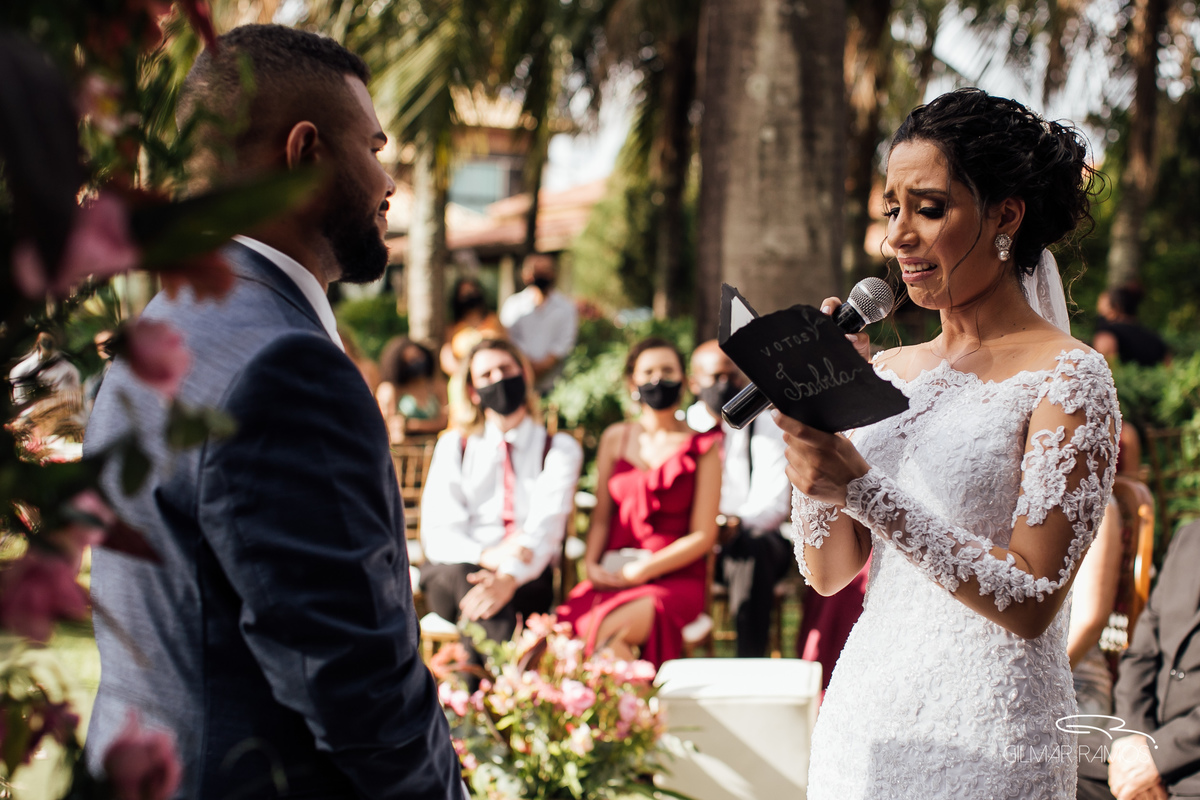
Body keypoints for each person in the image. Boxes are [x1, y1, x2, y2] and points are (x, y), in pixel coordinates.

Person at [83, 25, 462, 799]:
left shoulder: (161, 330)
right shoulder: (285, 367)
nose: (391, 183)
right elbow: (359, 695)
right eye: (377, 148)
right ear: (306, 153)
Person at [781, 88, 1118, 799]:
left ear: (1004, 215)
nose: (896, 237)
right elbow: (829, 572)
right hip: (863, 724)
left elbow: (1032, 596)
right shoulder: (889, 371)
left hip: (987, 739)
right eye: (891, 210)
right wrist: (823, 420)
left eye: (928, 208)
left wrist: (862, 487)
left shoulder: (1069, 377)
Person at [557, 337, 721, 668]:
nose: (658, 379)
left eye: (667, 370)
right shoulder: (615, 438)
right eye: (648, 372)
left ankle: (634, 713)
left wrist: (645, 569)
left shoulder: (705, 446)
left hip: (673, 579)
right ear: (632, 382)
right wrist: (590, 566)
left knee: (602, 631)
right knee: (562, 632)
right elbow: (601, 517)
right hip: (614, 573)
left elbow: (704, 536)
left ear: (684, 380)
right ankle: (633, 712)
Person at [419, 338, 582, 658]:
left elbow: (545, 532)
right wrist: (487, 555)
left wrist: (506, 577)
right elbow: (438, 534)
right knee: (467, 581)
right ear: (472, 391)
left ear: (524, 373)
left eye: (506, 369)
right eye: (486, 375)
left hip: (526, 576)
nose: (498, 379)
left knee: (488, 604)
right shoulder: (454, 446)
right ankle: (506, 691)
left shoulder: (559, 448)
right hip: (453, 572)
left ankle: (471, 692)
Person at [685, 339, 792, 658]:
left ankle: (750, 660)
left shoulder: (767, 424)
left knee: (752, 545)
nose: (725, 385)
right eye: (715, 377)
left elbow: (774, 502)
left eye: (733, 377)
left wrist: (734, 522)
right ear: (693, 383)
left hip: (753, 540)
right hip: (696, 546)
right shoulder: (684, 429)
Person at [1103, 520, 1200, 800]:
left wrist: (1159, 756)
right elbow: (1141, 653)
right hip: (1143, 734)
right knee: (1043, 764)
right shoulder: (1189, 536)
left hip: (1191, 764)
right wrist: (1129, 736)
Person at [499, 252, 578, 395]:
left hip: (555, 385)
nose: (540, 275)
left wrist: (541, 367)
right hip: (519, 383)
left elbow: (564, 342)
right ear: (525, 274)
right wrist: (527, 366)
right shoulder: (512, 305)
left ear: (554, 273)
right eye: (536, 270)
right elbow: (508, 339)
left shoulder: (566, 307)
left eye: (545, 270)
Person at [376, 336, 447, 440]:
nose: (416, 363)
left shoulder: (438, 386)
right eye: (410, 360)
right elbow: (391, 424)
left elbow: (444, 421)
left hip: (435, 443)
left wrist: (413, 425)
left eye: (418, 357)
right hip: (407, 448)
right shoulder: (394, 390)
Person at [440, 276, 505, 379]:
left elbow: (508, 347)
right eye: (464, 293)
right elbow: (446, 358)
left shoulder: (494, 320)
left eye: (472, 291)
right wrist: (467, 377)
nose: (469, 295)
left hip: (495, 376)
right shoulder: (453, 328)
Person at [1094, 285, 1169, 368]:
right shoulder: (1157, 339)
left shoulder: (1107, 334)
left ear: (1115, 309)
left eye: (1101, 308)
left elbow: (1105, 369)